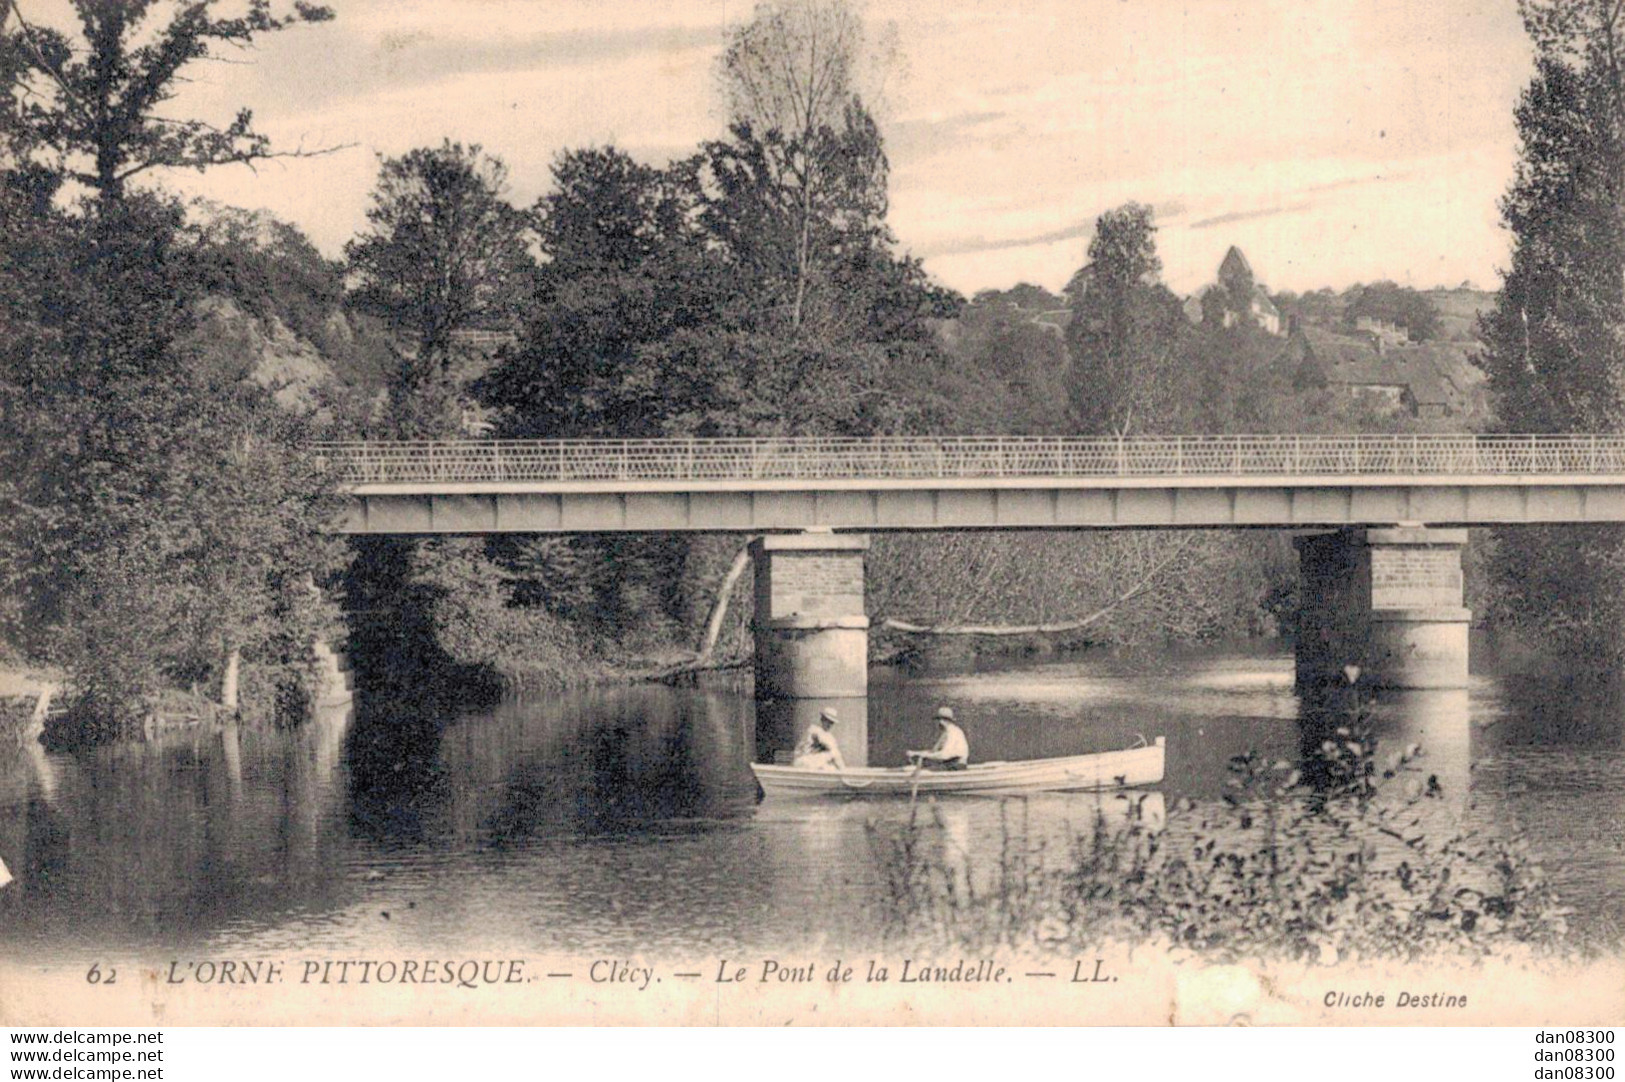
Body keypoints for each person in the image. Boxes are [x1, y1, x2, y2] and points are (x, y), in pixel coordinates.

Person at [910, 706, 969, 770]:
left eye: (938, 720)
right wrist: (915, 753)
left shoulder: (953, 732)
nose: (937, 723)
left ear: (942, 721)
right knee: (924, 768)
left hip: (957, 765)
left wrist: (925, 756)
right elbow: (933, 751)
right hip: (949, 764)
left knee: (927, 771)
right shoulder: (945, 733)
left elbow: (944, 755)